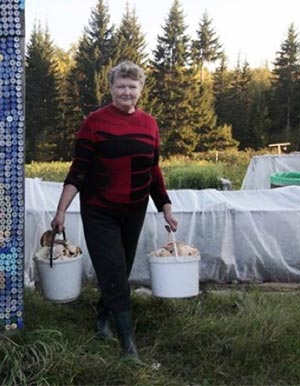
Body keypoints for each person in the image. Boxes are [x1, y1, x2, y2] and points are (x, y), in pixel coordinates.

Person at [51, 60, 178, 360]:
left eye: (132, 86)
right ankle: (128, 344)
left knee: (120, 269)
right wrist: (60, 211)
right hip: (99, 211)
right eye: (120, 86)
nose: (126, 92)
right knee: (114, 270)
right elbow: (78, 171)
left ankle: (102, 317)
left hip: (134, 211)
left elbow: (153, 171)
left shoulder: (149, 124)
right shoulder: (95, 122)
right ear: (110, 88)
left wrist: (166, 207)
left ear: (140, 90)